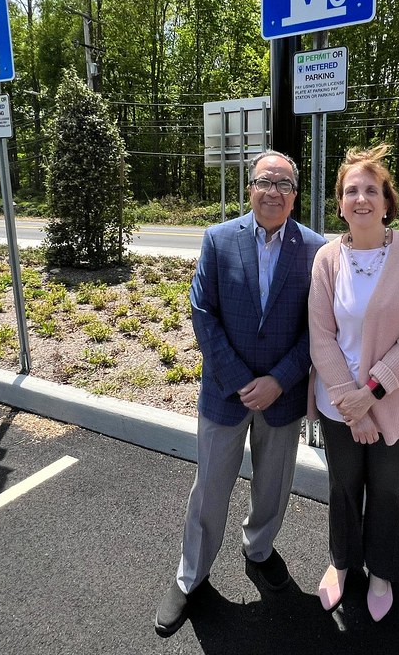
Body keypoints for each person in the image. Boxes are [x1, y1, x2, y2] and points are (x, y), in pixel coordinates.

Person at [155, 150, 326, 638]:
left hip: (282, 396)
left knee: (273, 486)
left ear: (295, 195)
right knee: (209, 489)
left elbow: (319, 328)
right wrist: (239, 379)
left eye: (284, 184)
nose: (273, 191)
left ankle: (259, 548)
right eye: (264, 182)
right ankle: (191, 576)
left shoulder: (316, 250)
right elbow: (202, 313)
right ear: (249, 188)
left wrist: (279, 380)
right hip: (225, 393)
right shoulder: (218, 238)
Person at [308, 144, 399, 622]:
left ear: (387, 202)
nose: (360, 198)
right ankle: (342, 563)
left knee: (387, 490)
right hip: (338, 404)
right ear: (340, 204)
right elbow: (321, 336)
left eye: (370, 190)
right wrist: (350, 402)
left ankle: (381, 570)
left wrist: (371, 395)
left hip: (392, 400)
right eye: (350, 191)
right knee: (343, 488)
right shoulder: (326, 259)